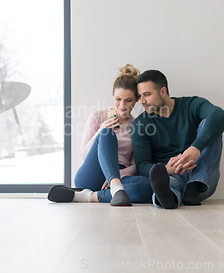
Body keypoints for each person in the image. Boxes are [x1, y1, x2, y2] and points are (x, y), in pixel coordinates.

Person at [48, 65, 153, 206]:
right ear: (112, 94)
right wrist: (101, 129)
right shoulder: (98, 116)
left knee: (146, 186)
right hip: (93, 172)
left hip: (121, 174)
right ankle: (115, 189)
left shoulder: (138, 125)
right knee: (107, 132)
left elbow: (136, 166)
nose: (122, 105)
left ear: (136, 100)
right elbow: (84, 155)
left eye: (128, 100)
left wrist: (115, 176)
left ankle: (87, 196)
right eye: (118, 99)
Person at [131, 70, 224, 209]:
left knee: (212, 124)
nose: (142, 101)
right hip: (172, 175)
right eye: (140, 96)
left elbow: (220, 115)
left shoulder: (191, 105)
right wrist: (167, 169)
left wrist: (196, 148)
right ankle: (168, 198)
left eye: (147, 95)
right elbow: (142, 165)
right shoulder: (140, 124)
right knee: (168, 183)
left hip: (202, 175)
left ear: (162, 91)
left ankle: (194, 185)